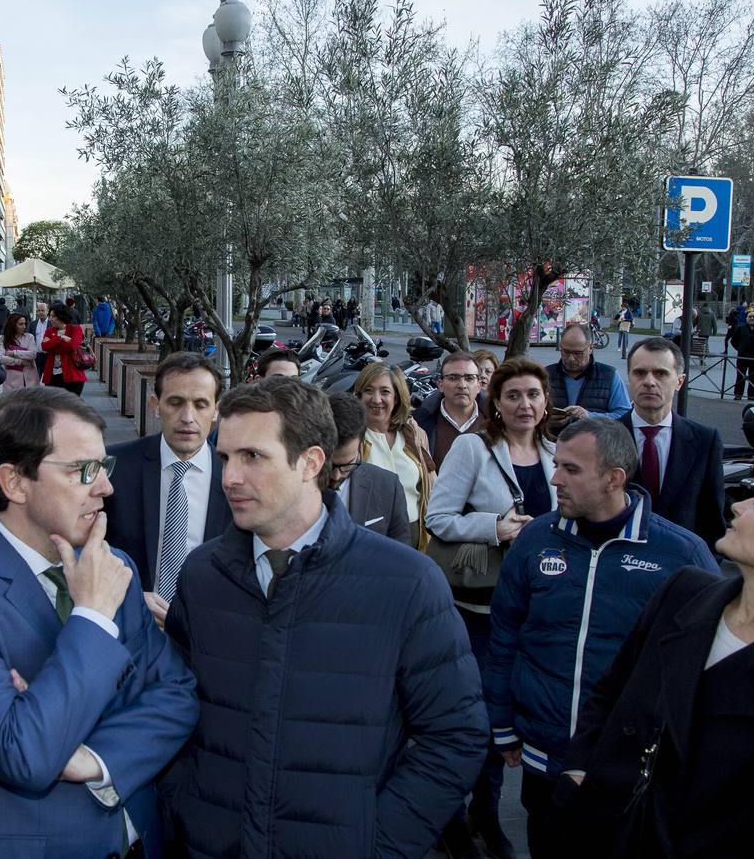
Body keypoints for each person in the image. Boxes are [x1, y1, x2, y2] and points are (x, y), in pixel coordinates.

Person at [164, 377, 486, 857]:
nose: (229, 476)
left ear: (311, 463)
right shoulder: (203, 576)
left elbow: (455, 736)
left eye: (253, 456)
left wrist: (377, 842)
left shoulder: (407, 583)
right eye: (226, 456)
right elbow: (177, 711)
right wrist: (189, 815)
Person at [0, 387, 199, 857]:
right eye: (84, 471)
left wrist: (93, 759)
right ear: (15, 483)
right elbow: (24, 753)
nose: (106, 487)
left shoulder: (112, 563)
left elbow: (177, 694)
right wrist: (93, 618)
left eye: (105, 467)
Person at [559, 462, 754, 858]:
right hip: (600, 834)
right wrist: (577, 773)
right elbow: (610, 692)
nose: (738, 506)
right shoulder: (683, 591)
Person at [484, 418, 717, 858]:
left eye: (571, 470)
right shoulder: (535, 539)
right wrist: (501, 722)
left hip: (627, 765)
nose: (554, 479)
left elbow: (706, 663)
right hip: (543, 754)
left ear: (614, 478)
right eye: (557, 465)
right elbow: (505, 635)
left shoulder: (681, 556)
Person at [426, 357, 557, 859]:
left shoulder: (555, 448)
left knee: (512, 717)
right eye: (513, 396)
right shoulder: (473, 448)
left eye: (533, 394)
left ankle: (487, 809)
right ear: (495, 403)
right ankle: (461, 815)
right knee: (478, 717)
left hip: (537, 608)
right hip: (480, 609)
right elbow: (438, 517)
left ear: (545, 400)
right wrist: (494, 527)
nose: (525, 404)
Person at [105, 352, 231, 628]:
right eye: (175, 402)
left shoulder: (236, 480)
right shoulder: (114, 469)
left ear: (216, 411)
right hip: (130, 633)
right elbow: (85, 550)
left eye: (200, 404)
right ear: (155, 404)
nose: (188, 417)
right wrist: (130, 597)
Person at [620, 337, 727, 549]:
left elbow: (713, 518)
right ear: (629, 378)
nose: (649, 381)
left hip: (683, 567)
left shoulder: (705, 441)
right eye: (640, 373)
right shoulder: (605, 437)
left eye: (660, 373)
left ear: (680, 381)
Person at [353, 362, 436, 549]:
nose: (376, 399)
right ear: (359, 395)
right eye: (368, 390)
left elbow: (430, 484)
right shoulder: (351, 438)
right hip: (370, 537)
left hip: (415, 533)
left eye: (385, 392)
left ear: (397, 398)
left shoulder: (414, 434)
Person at [326, 391, 409, 543]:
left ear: (361, 445)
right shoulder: (293, 485)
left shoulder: (388, 487)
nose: (336, 476)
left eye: (347, 465)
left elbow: (400, 556)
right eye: (329, 465)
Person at [545, 323, 630, 423]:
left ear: (590, 348)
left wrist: (591, 417)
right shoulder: (546, 374)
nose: (571, 359)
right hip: (555, 438)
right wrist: (546, 420)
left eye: (578, 353)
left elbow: (625, 416)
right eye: (566, 352)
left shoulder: (610, 375)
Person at [415, 352, 487, 469]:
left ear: (479, 385)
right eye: (453, 378)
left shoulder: (496, 422)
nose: (462, 385)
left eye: (469, 378)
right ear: (440, 385)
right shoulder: (419, 423)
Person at [41, 301, 86, 396]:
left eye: (53, 316)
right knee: (54, 407)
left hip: (72, 376)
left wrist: (53, 347)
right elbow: (44, 346)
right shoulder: (49, 331)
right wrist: (60, 338)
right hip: (52, 376)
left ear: (61, 316)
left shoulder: (75, 329)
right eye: (50, 316)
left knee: (71, 408)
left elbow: (72, 346)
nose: (50, 319)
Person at [724, 308, 754, 401]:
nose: (752, 318)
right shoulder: (741, 328)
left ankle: (751, 395)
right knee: (740, 376)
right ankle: (738, 394)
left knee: (753, 377)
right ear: (746, 318)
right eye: (750, 316)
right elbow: (733, 341)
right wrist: (740, 349)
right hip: (742, 357)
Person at [0, 311, 40, 391]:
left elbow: (33, 354)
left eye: (25, 324)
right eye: (21, 324)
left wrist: (13, 353)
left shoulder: (29, 337)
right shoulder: (3, 338)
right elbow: (0, 358)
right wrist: (20, 362)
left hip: (30, 379)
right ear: (13, 325)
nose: (24, 326)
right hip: (11, 381)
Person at [31, 301, 51, 376]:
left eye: (43, 310)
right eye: (39, 310)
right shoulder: (33, 324)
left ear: (47, 311)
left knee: (48, 379)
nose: (40, 312)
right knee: (35, 378)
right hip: (36, 355)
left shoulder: (52, 324)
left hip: (48, 355)